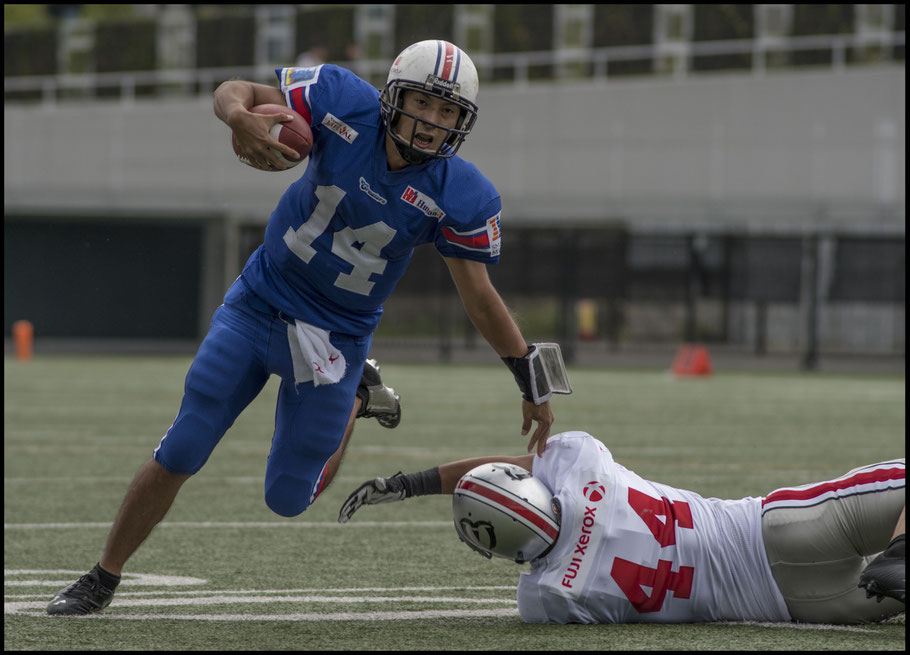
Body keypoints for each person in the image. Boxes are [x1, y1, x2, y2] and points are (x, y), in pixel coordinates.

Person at [46, 39, 556, 616]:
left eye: (447, 112)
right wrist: (239, 117)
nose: (431, 122)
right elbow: (234, 90)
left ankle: (359, 399)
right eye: (422, 102)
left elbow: (481, 299)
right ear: (392, 96)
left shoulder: (462, 194)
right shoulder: (341, 101)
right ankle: (102, 577)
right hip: (259, 301)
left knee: (287, 499)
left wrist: (527, 379)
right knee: (183, 446)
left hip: (334, 338)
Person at [339, 428, 905, 625]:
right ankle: (901, 547)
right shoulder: (580, 462)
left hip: (800, 606)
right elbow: (513, 471)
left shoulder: (550, 597)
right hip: (774, 529)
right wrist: (413, 481)